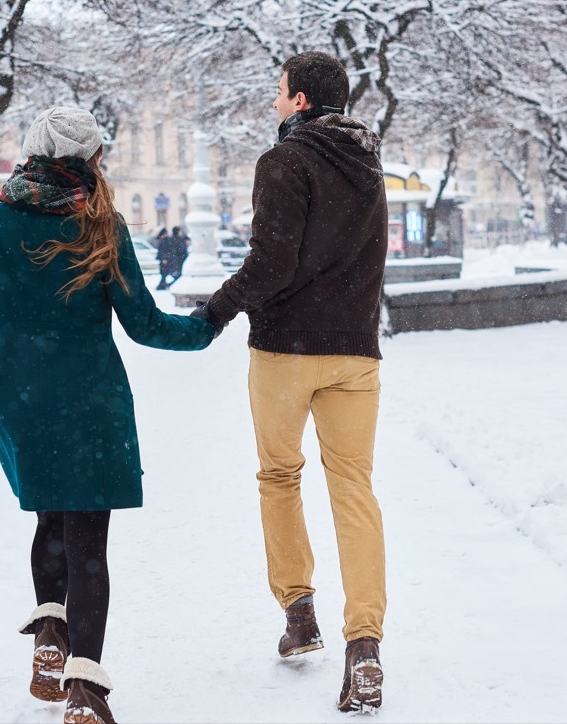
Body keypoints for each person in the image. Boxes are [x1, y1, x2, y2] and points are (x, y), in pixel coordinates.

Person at [0, 106, 215, 724]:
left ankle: (49, 637)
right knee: (89, 542)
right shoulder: (102, 225)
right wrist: (208, 325)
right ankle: (85, 692)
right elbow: (145, 326)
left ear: (34, 153)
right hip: (92, 401)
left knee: (50, 523)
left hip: (24, 400)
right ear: (91, 159)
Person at [191, 51, 389, 712]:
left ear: (301, 100)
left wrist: (215, 310)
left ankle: (300, 614)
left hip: (286, 350)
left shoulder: (283, 162)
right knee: (353, 486)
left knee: (280, 475)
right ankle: (365, 647)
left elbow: (271, 264)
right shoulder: (367, 161)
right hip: (356, 352)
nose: (274, 103)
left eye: (279, 93)